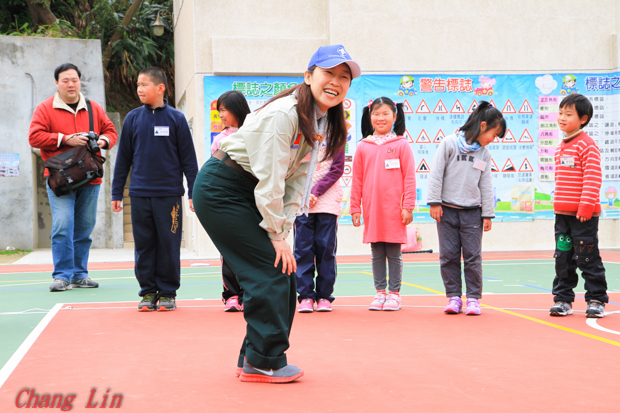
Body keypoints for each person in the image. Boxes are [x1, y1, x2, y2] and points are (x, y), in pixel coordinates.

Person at [193, 44, 360, 383]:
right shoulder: (285, 114)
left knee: (283, 272)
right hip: (223, 188)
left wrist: (284, 227)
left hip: (246, 189)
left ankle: (253, 356)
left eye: (345, 77)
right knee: (271, 270)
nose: (336, 83)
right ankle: (263, 362)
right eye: (329, 73)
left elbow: (298, 178)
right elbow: (270, 182)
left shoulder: (322, 118)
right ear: (308, 75)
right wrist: (276, 235)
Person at [111, 67, 198, 312]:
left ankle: (168, 292)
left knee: (169, 245)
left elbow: (189, 161)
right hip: (139, 195)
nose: (139, 89)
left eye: (144, 84)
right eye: (138, 84)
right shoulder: (132, 119)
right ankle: (148, 292)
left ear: (160, 88)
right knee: (144, 245)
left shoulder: (176, 119)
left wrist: (194, 192)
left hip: (169, 196)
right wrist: (116, 193)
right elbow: (123, 160)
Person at [29, 63, 118, 292]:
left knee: (84, 228)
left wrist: (102, 142)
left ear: (80, 82)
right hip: (59, 179)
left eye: (75, 80)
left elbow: (110, 131)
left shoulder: (93, 107)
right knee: (62, 224)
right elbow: (34, 137)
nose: (71, 84)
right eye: (65, 80)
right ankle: (62, 275)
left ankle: (79, 274)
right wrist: (64, 139)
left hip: (89, 177)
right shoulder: (45, 108)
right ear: (57, 83)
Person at [427, 101, 505, 315]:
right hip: (446, 211)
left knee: (472, 257)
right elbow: (436, 173)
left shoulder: (484, 154)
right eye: (494, 134)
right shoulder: (449, 143)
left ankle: (473, 299)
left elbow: (486, 184)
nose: (493, 140)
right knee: (448, 256)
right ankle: (453, 298)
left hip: (473, 214)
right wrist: (434, 202)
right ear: (482, 126)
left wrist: (488, 213)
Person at [350, 97, 416, 311]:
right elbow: (357, 180)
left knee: (394, 252)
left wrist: (408, 206)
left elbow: (409, 178)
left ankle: (394, 294)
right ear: (370, 117)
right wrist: (355, 208)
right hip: (372, 209)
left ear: (395, 116)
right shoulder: (363, 146)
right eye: (376, 114)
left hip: (395, 210)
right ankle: (380, 293)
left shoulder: (401, 145)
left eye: (385, 113)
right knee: (377, 251)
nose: (380, 118)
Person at [549, 94, 607, 318]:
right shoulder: (560, 148)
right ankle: (563, 299)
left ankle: (596, 299)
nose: (562, 118)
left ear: (583, 119)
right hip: (562, 216)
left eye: (568, 114)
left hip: (583, 216)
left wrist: (585, 207)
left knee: (587, 257)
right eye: (560, 113)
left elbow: (593, 179)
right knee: (562, 257)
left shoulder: (587, 146)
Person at [211, 91, 251, 312]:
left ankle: (247, 294)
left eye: (224, 110)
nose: (221, 116)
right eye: (219, 112)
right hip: (226, 200)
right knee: (228, 249)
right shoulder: (220, 139)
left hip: (248, 199)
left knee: (248, 249)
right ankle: (231, 295)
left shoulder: (253, 133)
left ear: (237, 109)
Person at [294, 144, 345, 313]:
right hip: (301, 203)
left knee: (326, 249)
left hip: (327, 203)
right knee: (303, 250)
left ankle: (324, 296)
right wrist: (304, 193)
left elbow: (336, 169)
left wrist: (316, 192)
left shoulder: (336, 134)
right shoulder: (298, 131)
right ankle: (306, 296)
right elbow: (291, 165)